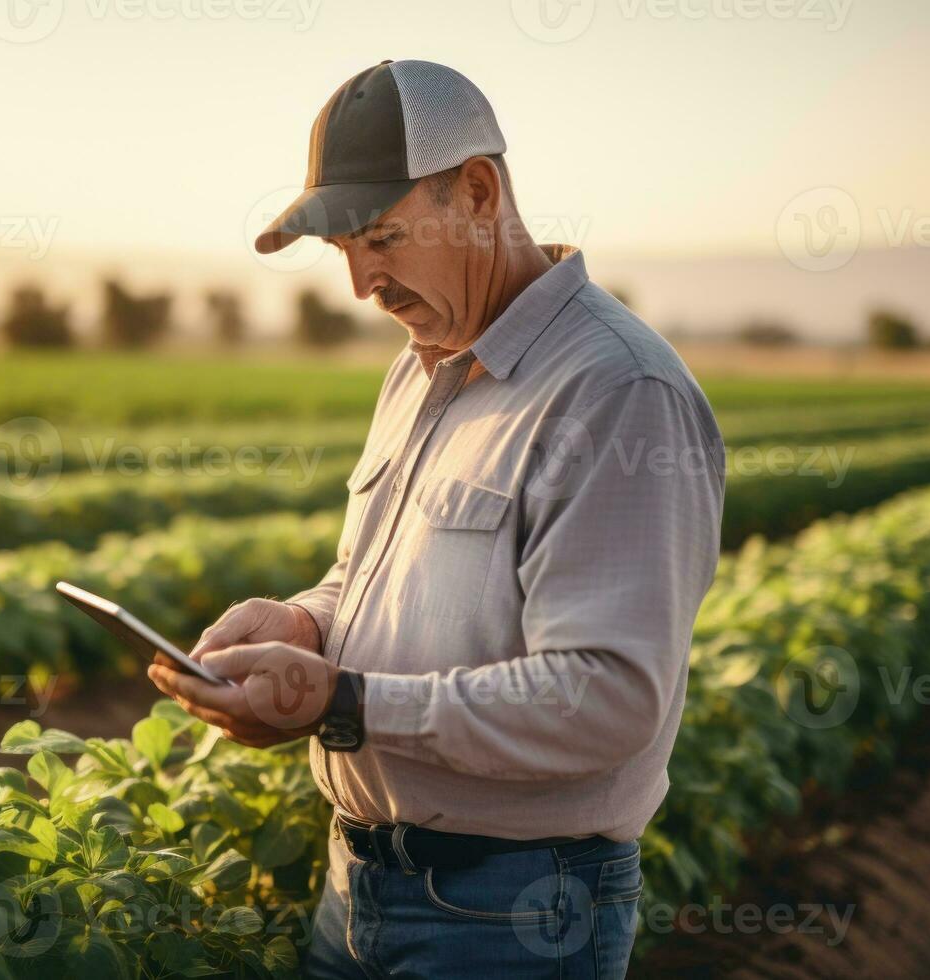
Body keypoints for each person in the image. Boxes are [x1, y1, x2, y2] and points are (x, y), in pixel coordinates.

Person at [149, 59, 725, 978]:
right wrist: (303, 622)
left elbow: (608, 697)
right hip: (357, 894)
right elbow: (374, 580)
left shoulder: (618, 392)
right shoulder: (424, 366)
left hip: (513, 918)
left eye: (381, 238)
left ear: (480, 192)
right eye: (343, 250)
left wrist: (339, 701)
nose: (361, 284)